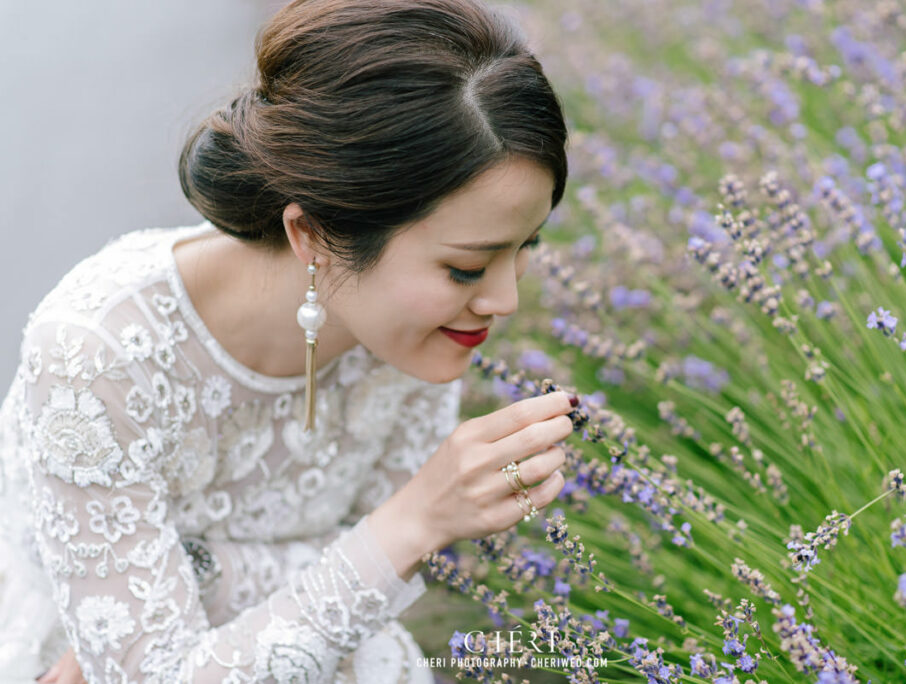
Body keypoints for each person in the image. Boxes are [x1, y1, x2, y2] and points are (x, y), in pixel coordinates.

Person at [0, 0, 575, 681]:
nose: (505, 300)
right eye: (467, 268)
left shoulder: (410, 335)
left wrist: (199, 573)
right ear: (311, 234)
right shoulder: (98, 352)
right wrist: (414, 521)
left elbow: (363, 587)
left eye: (527, 245)